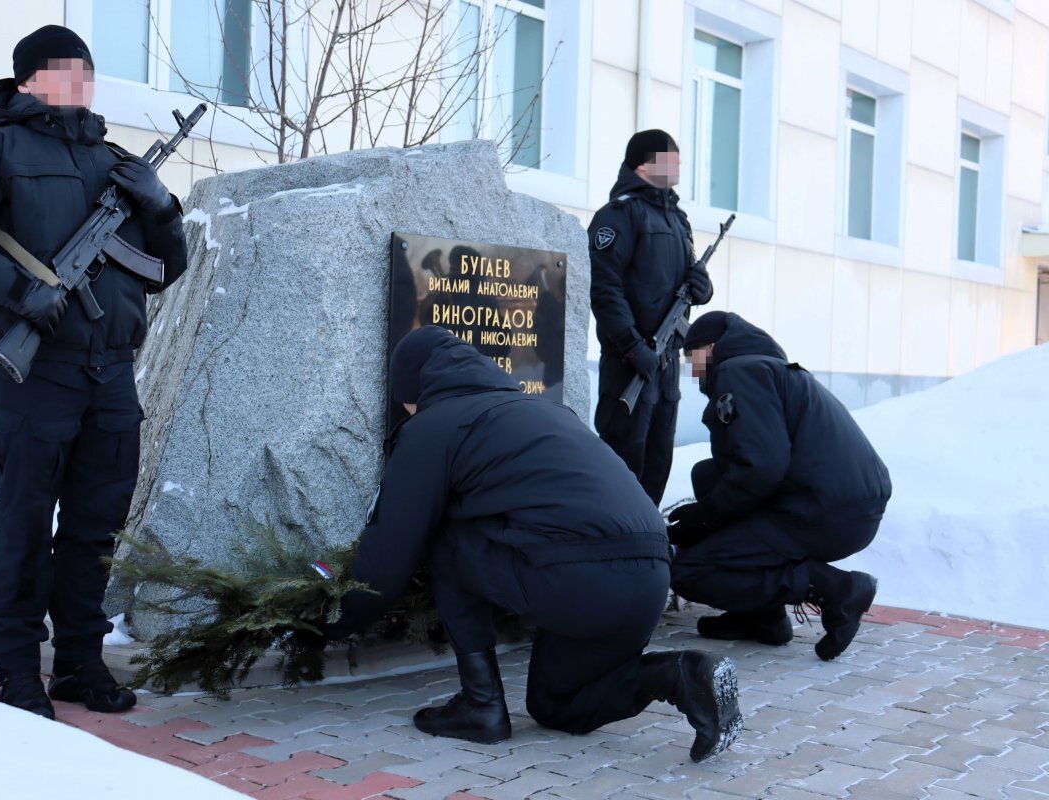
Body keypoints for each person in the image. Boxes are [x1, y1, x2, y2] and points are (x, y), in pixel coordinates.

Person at [0, 25, 188, 719]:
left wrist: (162, 208)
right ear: (29, 79)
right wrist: (17, 288)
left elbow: (165, 270)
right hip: (33, 374)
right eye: (66, 71)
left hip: (112, 374)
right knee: (25, 525)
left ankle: (81, 665)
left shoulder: (117, 162)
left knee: (97, 526)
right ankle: (18, 671)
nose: (81, 83)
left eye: (86, 72)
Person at [323, 326, 743, 762]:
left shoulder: (434, 425)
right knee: (558, 704)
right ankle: (680, 675)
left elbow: (389, 558)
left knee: (446, 533)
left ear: (415, 385)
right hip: (650, 576)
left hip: (580, 579)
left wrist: (327, 621)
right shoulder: (549, 412)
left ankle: (481, 706)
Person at [667, 312, 891, 661]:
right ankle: (760, 618)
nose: (691, 369)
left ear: (709, 348)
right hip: (844, 502)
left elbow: (762, 467)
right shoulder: (766, 368)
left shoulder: (737, 371)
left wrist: (706, 517)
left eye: (690, 357)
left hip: (822, 511)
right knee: (707, 475)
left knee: (691, 572)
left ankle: (836, 588)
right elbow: (747, 464)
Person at [589, 130, 714, 506]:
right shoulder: (619, 215)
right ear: (644, 164)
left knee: (659, 458)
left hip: (666, 364)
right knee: (623, 462)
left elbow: (686, 286)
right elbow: (604, 289)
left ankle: (644, 540)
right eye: (669, 159)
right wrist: (630, 346)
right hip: (630, 363)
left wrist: (702, 287)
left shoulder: (678, 220)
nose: (678, 166)